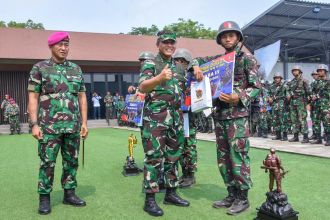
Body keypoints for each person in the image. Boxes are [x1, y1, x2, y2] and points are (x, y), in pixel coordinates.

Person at [193, 21, 260, 215]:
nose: (228, 38)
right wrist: (196, 66)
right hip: (220, 116)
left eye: (231, 35)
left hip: (237, 116)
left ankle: (243, 197)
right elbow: (196, 60)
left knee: (237, 155)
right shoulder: (218, 61)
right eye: (224, 36)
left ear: (238, 38)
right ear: (220, 40)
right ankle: (231, 193)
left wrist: (238, 96)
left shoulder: (247, 59)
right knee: (223, 158)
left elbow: (256, 87)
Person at [138, 30, 202, 217]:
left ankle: (171, 193)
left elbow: (195, 62)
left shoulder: (178, 65)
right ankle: (150, 199)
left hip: (175, 118)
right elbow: (142, 86)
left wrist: (196, 65)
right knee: (154, 158)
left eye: (172, 43)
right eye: (165, 42)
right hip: (155, 119)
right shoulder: (151, 63)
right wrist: (158, 78)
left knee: (174, 156)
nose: (169, 45)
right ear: (158, 44)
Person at [28, 31, 88, 215]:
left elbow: (82, 97)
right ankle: (44, 197)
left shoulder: (76, 69)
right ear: (51, 46)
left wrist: (84, 122)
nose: (63, 48)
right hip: (49, 127)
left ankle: (69, 193)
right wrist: (34, 124)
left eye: (66, 45)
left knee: (71, 161)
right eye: (60, 45)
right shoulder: (39, 68)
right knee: (47, 162)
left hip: (73, 125)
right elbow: (33, 97)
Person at [173, 48, 199, 188]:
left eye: (182, 61)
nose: (179, 63)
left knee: (189, 146)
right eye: (177, 60)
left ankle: (191, 175)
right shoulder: (174, 77)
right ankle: (184, 173)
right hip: (178, 116)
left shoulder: (193, 74)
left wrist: (194, 66)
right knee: (181, 146)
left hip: (189, 116)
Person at [287, 65, 310, 143]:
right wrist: (289, 94)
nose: (294, 72)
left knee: (302, 120)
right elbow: (289, 90)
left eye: (296, 70)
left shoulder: (304, 81)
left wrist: (308, 103)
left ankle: (305, 137)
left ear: (299, 71)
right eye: (293, 71)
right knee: (294, 120)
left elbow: (308, 93)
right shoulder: (292, 82)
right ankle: (295, 136)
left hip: (301, 103)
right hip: (293, 103)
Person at [268, 73, 289, 141]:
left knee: (283, 120)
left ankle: (285, 136)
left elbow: (288, 95)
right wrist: (269, 98)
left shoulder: (284, 86)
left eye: (278, 78)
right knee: (275, 120)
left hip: (282, 104)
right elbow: (268, 94)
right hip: (274, 105)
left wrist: (288, 98)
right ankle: (278, 135)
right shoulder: (272, 87)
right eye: (276, 78)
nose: (277, 79)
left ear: (281, 79)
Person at [314, 64, 330, 146]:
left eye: (321, 71)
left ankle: (328, 139)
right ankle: (318, 139)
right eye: (319, 71)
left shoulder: (328, 81)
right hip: (317, 105)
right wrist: (312, 96)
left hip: (326, 105)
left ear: (325, 72)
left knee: (327, 122)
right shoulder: (316, 82)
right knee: (316, 122)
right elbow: (312, 92)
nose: (320, 72)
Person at [309, 71, 322, 143]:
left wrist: (316, 96)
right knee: (314, 120)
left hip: (322, 104)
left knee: (325, 121)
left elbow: (324, 92)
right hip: (314, 104)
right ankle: (316, 135)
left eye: (315, 75)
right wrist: (311, 96)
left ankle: (326, 136)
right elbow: (310, 92)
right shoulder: (313, 83)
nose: (314, 76)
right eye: (313, 75)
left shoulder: (323, 82)